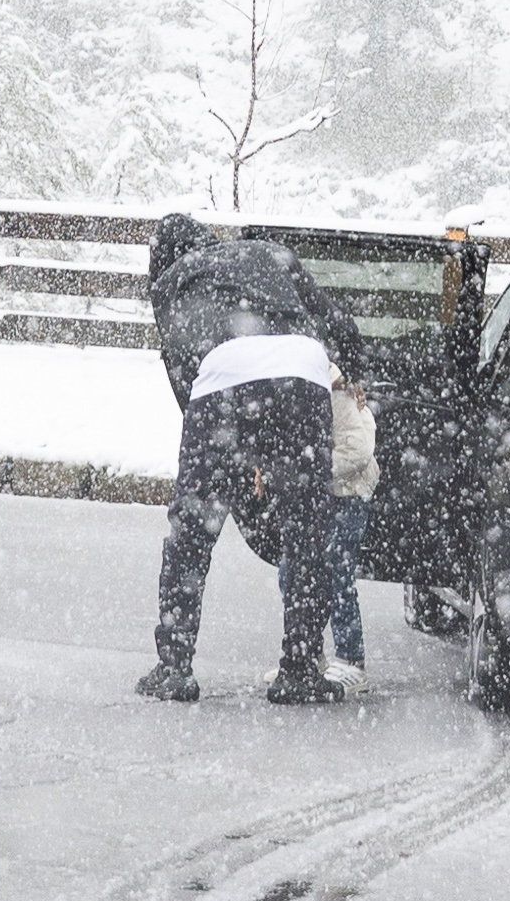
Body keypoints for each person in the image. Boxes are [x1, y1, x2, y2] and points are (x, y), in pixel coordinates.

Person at [137, 220, 365, 705]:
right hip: (303, 375)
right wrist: (356, 369)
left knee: (192, 533)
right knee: (307, 531)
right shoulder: (266, 253)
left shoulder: (171, 281)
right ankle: (301, 668)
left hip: (222, 384)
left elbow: (183, 372)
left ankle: (175, 667)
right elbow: (336, 322)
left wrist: (226, 453)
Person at [278, 371, 381, 691]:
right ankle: (309, 652)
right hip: (323, 495)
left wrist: (310, 470)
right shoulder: (305, 389)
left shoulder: (336, 391)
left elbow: (358, 450)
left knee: (337, 574)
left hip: (347, 495)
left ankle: (352, 658)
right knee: (294, 573)